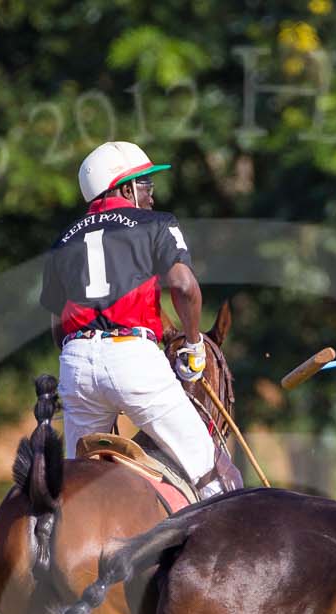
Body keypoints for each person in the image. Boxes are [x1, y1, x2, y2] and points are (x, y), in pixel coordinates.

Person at [40, 141, 224, 495]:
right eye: (146, 185)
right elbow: (183, 286)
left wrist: (80, 373)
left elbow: (57, 327)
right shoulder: (156, 223)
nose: (152, 196)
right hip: (133, 358)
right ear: (125, 188)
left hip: (75, 364)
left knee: (77, 490)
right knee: (209, 469)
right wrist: (193, 343)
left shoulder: (62, 241)